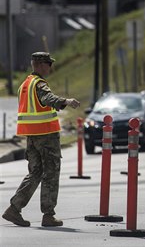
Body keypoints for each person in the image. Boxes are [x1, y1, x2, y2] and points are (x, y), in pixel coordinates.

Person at [2, 52, 80, 227]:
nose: (50, 67)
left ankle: (14, 209)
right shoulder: (39, 84)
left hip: (31, 136)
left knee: (35, 173)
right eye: (48, 64)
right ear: (40, 65)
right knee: (51, 173)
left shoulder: (25, 84)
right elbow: (48, 99)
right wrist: (65, 101)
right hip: (46, 135)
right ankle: (48, 215)